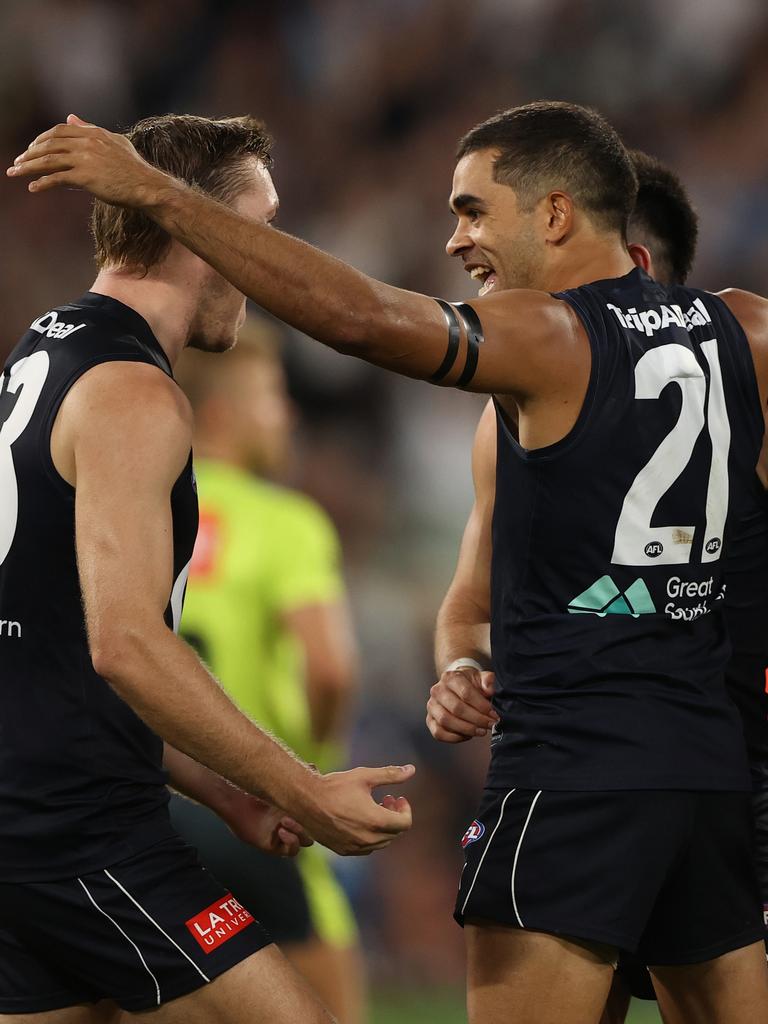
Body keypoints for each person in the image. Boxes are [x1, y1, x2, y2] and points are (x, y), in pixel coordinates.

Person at [9, 100, 768, 1024]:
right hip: (716, 776)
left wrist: (159, 196)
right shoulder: (748, 332)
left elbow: (364, 319)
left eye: (474, 211)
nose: (454, 240)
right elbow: (110, 645)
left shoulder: (40, 360)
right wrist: (448, 670)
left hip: (576, 777)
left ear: (558, 215)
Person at [0, 112, 415, 1024]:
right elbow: (125, 648)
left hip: (34, 818)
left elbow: (61, 645)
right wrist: (300, 786)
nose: (261, 266)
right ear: (191, 225)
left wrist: (226, 792)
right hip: (88, 835)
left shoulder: (45, 347)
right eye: (256, 230)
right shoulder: (134, 393)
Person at [171, 324, 367, 1024]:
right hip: (265, 810)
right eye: (272, 395)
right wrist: (314, 771)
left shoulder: (143, 510)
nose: (285, 415)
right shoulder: (283, 521)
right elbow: (331, 668)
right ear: (221, 410)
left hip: (156, 814)